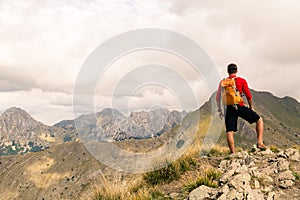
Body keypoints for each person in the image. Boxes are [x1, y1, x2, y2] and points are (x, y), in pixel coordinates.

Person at [216, 63, 266, 153]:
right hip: (239, 106)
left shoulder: (223, 83)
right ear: (236, 71)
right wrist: (251, 107)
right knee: (259, 120)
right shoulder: (241, 80)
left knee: (230, 131)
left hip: (228, 108)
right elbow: (248, 96)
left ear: (228, 71)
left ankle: (233, 153)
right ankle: (260, 143)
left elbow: (217, 98)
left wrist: (220, 110)